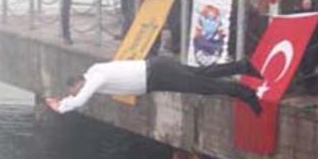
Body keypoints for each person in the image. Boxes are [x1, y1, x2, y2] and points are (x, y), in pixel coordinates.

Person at [44, 56, 263, 115]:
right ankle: (242, 66)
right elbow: (78, 96)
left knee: (203, 85)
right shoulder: (93, 71)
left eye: (74, 90)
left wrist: (61, 108)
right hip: (156, 69)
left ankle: (245, 93)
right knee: (201, 75)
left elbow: (82, 98)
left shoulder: (94, 78)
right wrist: (62, 100)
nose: (77, 93)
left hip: (157, 74)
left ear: (78, 82)